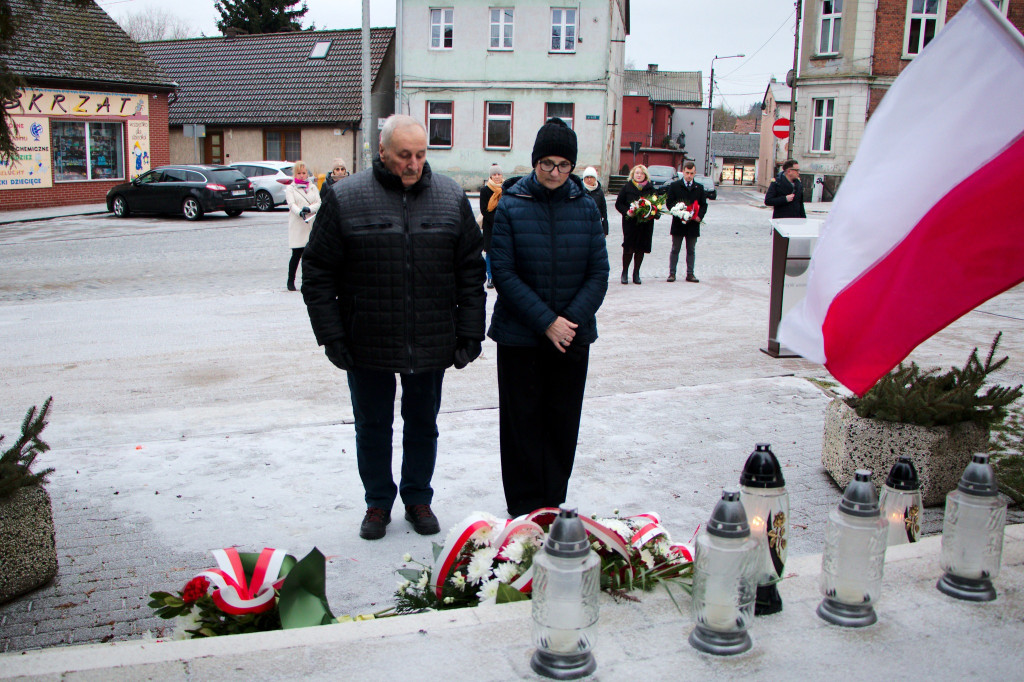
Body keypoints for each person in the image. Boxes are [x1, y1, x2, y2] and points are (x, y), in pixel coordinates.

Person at [301, 115, 486, 540]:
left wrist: (470, 331)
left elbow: (470, 270)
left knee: (423, 424)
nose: (413, 164)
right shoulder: (346, 197)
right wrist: (332, 335)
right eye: (404, 155)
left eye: (420, 154)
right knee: (372, 427)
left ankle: (418, 498)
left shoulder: (450, 196)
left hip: (431, 336)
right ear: (382, 151)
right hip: (367, 339)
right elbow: (318, 272)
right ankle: (378, 503)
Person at [488, 118, 609, 518]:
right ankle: (523, 509)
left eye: (563, 165)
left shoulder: (586, 207)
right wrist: (546, 322)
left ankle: (551, 504)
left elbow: (598, 273)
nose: (555, 173)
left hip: (572, 337)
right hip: (520, 336)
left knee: (562, 422)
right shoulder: (511, 204)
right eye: (547, 164)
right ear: (534, 161)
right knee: (521, 424)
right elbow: (503, 272)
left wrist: (568, 321)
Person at [615, 164, 659, 284]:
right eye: (637, 173)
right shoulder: (627, 187)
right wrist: (627, 212)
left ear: (645, 175)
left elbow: (656, 205)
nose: (639, 175)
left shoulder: (650, 189)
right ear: (633, 174)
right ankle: (624, 272)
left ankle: (636, 273)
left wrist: (652, 212)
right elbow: (619, 204)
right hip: (630, 223)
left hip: (645, 224)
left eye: (641, 173)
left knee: (640, 248)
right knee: (628, 248)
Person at [664, 161, 708, 283]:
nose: (689, 175)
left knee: (691, 250)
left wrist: (699, 216)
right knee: (675, 249)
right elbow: (669, 202)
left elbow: (703, 205)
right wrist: (678, 211)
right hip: (678, 223)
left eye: (691, 173)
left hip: (693, 224)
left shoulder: (699, 188)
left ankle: (690, 273)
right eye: (687, 173)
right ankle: (672, 273)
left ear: (695, 173)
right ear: (683, 172)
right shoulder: (675, 186)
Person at [285, 160, 321, 291]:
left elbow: (318, 202)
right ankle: (291, 281)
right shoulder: (291, 188)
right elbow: (291, 204)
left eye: (304, 173)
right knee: (296, 254)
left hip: (310, 223)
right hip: (298, 224)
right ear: (295, 174)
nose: (302, 175)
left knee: (309, 256)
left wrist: (309, 209)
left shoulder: (312, 187)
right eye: (299, 173)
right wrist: (300, 212)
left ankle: (307, 280)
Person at [478, 164, 504, 289]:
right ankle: (490, 276)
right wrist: (496, 221)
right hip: (490, 226)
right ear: (491, 176)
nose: (497, 176)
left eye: (499, 174)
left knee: (502, 252)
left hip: (503, 226)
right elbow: (484, 210)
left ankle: (500, 276)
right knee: (489, 252)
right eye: (494, 174)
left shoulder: (506, 189)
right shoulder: (485, 190)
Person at [581, 166, 608, 236]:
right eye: (587, 177)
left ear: (595, 178)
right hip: (582, 223)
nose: (589, 179)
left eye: (591, 177)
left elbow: (603, 210)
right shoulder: (579, 190)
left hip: (595, 223)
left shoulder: (599, 192)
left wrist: (605, 229)